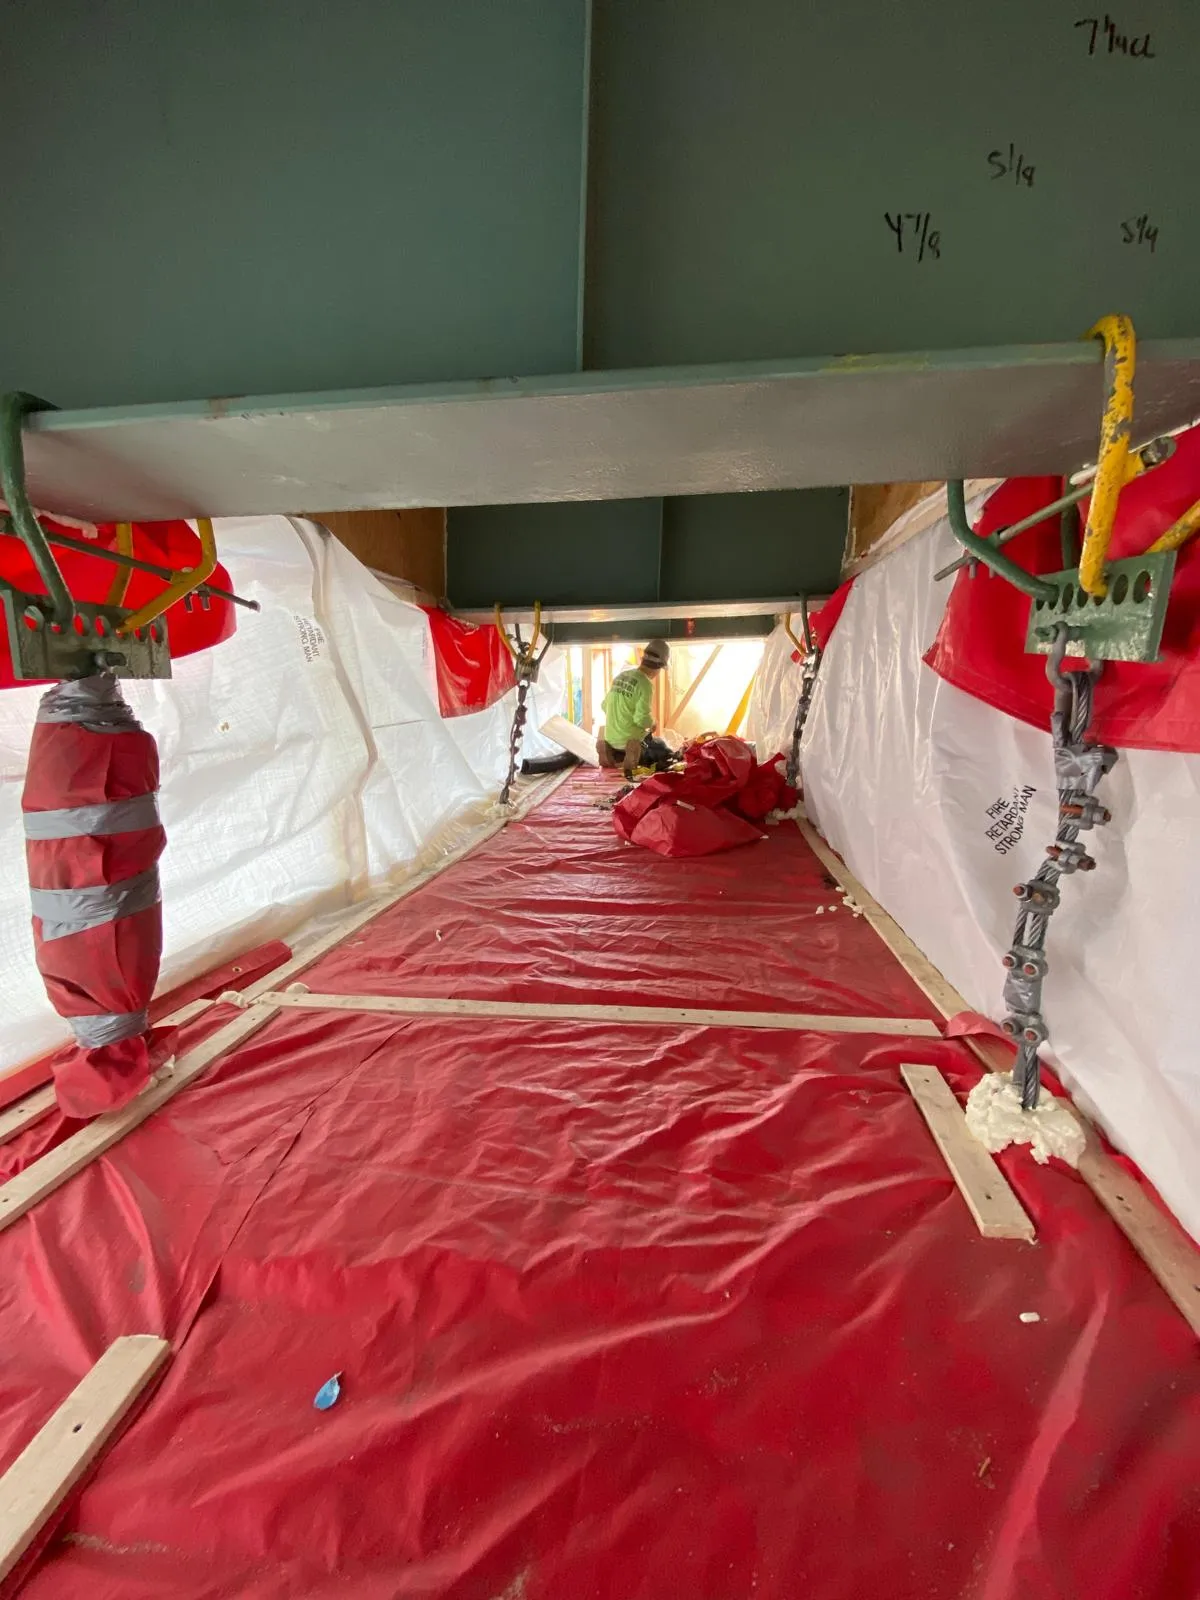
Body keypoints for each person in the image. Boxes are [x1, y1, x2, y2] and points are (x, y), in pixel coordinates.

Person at [598, 639, 672, 778]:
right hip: (630, 740)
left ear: (644, 659)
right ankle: (635, 753)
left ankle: (614, 754)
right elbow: (640, 719)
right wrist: (653, 723)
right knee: (662, 747)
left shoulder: (621, 676)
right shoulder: (645, 684)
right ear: (658, 666)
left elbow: (604, 706)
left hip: (611, 738)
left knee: (626, 743)